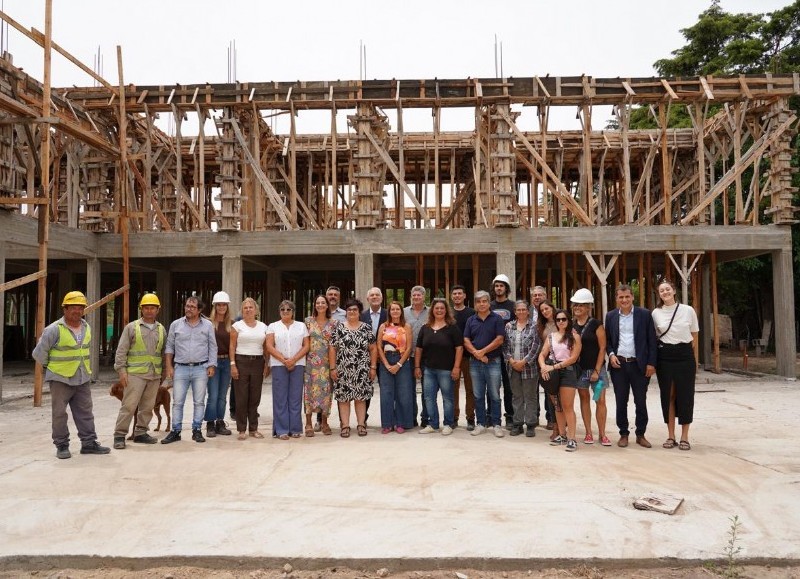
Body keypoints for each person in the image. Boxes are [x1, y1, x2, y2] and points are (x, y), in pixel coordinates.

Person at [32, 290, 110, 459]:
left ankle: (88, 443)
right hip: (60, 378)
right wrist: (52, 368)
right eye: (73, 307)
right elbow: (39, 354)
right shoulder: (53, 330)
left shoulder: (87, 327)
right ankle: (61, 445)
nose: (77, 310)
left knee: (85, 412)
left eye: (80, 307)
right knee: (59, 414)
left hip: (82, 377)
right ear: (65, 309)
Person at [605, 284, 658, 449]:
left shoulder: (644, 315)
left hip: (639, 365)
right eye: (621, 297)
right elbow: (607, 340)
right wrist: (611, 354)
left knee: (640, 401)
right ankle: (623, 434)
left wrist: (651, 363)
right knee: (621, 401)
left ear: (632, 297)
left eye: (627, 296)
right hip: (619, 365)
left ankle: (640, 434)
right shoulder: (611, 316)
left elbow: (652, 341)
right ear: (617, 299)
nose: (624, 300)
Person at [112, 292, 167, 449]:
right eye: (146, 308)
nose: (149, 311)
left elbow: (162, 353)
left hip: (154, 374)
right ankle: (119, 435)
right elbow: (121, 351)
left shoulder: (161, 329)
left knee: (148, 406)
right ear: (141, 310)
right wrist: (121, 371)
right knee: (129, 405)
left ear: (158, 310)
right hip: (135, 374)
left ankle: (141, 433)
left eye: (152, 308)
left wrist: (162, 374)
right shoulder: (131, 328)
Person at [652, 279, 699, 451]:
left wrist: (693, 360)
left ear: (674, 290)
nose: (665, 292)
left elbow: (694, 336)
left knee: (686, 396)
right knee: (668, 396)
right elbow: (654, 337)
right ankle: (671, 435)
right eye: (661, 290)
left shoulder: (688, 311)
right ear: (659, 294)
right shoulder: (656, 313)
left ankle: (685, 437)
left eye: (667, 289)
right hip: (665, 356)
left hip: (685, 356)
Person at [162, 295, 217, 444]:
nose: (189, 309)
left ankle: (197, 430)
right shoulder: (176, 325)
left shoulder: (207, 325)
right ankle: (176, 431)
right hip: (181, 368)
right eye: (187, 306)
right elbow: (169, 347)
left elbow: (213, 346)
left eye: (192, 307)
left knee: (199, 402)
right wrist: (169, 366)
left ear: (199, 310)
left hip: (201, 368)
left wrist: (212, 365)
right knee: (177, 402)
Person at [328, 299, 377, 437]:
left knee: (360, 398)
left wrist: (373, 367)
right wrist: (333, 368)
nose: (352, 312)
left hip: (362, 369)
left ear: (359, 312)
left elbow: (373, 349)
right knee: (343, 399)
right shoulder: (339, 327)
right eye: (349, 310)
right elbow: (332, 348)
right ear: (346, 312)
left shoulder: (366, 328)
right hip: (343, 369)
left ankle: (361, 424)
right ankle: (345, 426)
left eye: (355, 309)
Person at [415, 298, 463, 435]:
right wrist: (417, 367)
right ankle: (433, 424)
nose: (439, 310)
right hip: (429, 370)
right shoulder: (425, 327)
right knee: (429, 397)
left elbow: (459, 348)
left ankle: (448, 424)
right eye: (437, 308)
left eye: (442, 308)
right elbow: (418, 349)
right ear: (432, 311)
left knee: (447, 398)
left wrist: (456, 367)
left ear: (446, 310)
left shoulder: (452, 327)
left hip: (446, 370)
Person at [570, 288, 611, 447]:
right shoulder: (572, 326)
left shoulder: (596, 324)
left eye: (581, 305)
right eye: (575, 305)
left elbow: (602, 348)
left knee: (599, 400)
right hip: (580, 371)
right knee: (584, 399)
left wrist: (596, 370)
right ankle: (588, 432)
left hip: (597, 371)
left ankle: (602, 434)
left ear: (589, 307)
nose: (577, 308)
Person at [463, 290, 506, 438]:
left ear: (489, 302)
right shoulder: (471, 320)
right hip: (475, 363)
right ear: (475, 304)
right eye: (478, 301)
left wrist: (483, 352)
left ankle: (496, 424)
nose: (481, 304)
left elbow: (500, 339)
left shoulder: (497, 319)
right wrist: (477, 354)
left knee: (494, 395)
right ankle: (480, 423)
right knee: (478, 394)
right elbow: (466, 340)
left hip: (493, 362)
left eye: (484, 301)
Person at [538, 309, 582, 452]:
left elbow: (573, 358)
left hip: (567, 372)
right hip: (553, 372)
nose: (561, 322)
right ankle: (562, 435)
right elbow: (542, 354)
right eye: (558, 320)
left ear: (569, 320)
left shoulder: (574, 337)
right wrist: (543, 366)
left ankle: (572, 438)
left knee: (567, 406)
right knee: (557, 405)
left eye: (564, 319)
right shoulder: (551, 336)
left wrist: (554, 367)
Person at [267, 300, 310, 440]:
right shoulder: (273, 326)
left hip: (297, 364)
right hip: (279, 365)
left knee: (295, 397)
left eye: (289, 309)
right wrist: (284, 359)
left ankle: (296, 428)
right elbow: (269, 346)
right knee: (280, 398)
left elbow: (306, 346)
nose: (286, 311)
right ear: (279, 311)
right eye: (283, 309)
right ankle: (281, 430)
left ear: (293, 311)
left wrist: (293, 360)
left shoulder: (301, 326)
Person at [230, 297, 269, 440]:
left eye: (250, 307)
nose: (248, 310)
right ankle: (241, 430)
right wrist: (233, 364)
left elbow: (266, 348)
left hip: (258, 362)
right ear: (242, 310)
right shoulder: (237, 326)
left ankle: (253, 429)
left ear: (256, 310)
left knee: (255, 397)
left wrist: (267, 364)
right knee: (241, 397)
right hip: (241, 361)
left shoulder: (263, 327)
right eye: (245, 307)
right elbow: (232, 346)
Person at [502, 300, 541, 437]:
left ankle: (531, 424)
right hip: (512, 367)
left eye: (524, 309)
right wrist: (512, 361)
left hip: (529, 367)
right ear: (515, 312)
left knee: (530, 396)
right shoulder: (509, 326)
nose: (521, 312)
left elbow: (536, 347)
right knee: (517, 396)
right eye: (518, 310)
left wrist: (524, 361)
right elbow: (505, 346)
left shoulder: (534, 326)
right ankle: (517, 423)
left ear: (528, 311)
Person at [376, 301, 414, 433]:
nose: (395, 311)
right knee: (386, 393)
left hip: (402, 361)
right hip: (386, 360)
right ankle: (387, 424)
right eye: (393, 309)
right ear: (389, 312)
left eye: (398, 309)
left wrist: (399, 364)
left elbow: (409, 347)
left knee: (403, 393)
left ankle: (400, 423)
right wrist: (386, 363)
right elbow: (379, 347)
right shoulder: (383, 327)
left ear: (401, 312)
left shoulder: (406, 326)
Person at [303, 295, 337, 436]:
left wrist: (334, 366)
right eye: (318, 303)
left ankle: (324, 422)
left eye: (323, 303)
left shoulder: (334, 323)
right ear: (314, 305)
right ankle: (309, 423)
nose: (320, 305)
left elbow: (335, 346)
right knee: (309, 393)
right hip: (311, 363)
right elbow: (304, 343)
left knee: (326, 394)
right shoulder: (308, 322)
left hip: (327, 363)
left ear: (327, 305)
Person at [203, 291, 233, 438]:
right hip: (213, 362)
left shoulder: (231, 324)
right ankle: (210, 423)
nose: (222, 307)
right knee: (213, 395)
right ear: (215, 306)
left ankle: (219, 422)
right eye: (219, 304)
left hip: (227, 361)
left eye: (224, 305)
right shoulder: (208, 323)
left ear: (227, 307)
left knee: (222, 395)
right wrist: (209, 363)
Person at [490, 274, 515, 428]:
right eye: (496, 286)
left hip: (508, 351)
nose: (499, 288)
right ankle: (491, 416)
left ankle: (510, 416)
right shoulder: (489, 305)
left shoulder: (512, 306)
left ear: (506, 288)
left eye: (501, 285)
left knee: (509, 386)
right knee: (491, 386)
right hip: (492, 350)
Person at [360, 287, 388, 423]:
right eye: (372, 295)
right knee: (365, 389)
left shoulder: (389, 315)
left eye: (377, 295)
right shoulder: (361, 316)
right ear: (368, 299)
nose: (375, 297)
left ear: (382, 298)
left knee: (386, 389)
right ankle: (362, 418)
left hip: (385, 358)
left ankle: (388, 420)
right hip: (365, 358)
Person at [450, 284, 476, 430]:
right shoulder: (448, 313)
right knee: (453, 389)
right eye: (455, 294)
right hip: (451, 358)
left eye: (460, 293)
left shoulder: (472, 313)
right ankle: (454, 417)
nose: (457, 296)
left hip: (469, 356)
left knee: (470, 389)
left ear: (465, 296)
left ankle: (470, 417)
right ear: (451, 296)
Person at [404, 285, 429, 427]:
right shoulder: (404, 312)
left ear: (424, 297)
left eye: (419, 295)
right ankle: (411, 418)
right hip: (408, 356)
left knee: (427, 389)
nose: (416, 297)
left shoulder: (431, 312)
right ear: (411, 296)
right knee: (409, 389)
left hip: (427, 356)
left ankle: (425, 418)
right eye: (414, 295)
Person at [537, 300, 559, 436]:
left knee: (562, 396)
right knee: (551, 396)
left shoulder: (561, 320)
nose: (545, 311)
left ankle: (563, 425)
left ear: (552, 307)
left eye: (547, 308)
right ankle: (555, 424)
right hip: (547, 362)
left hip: (563, 362)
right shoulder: (541, 326)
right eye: (542, 310)